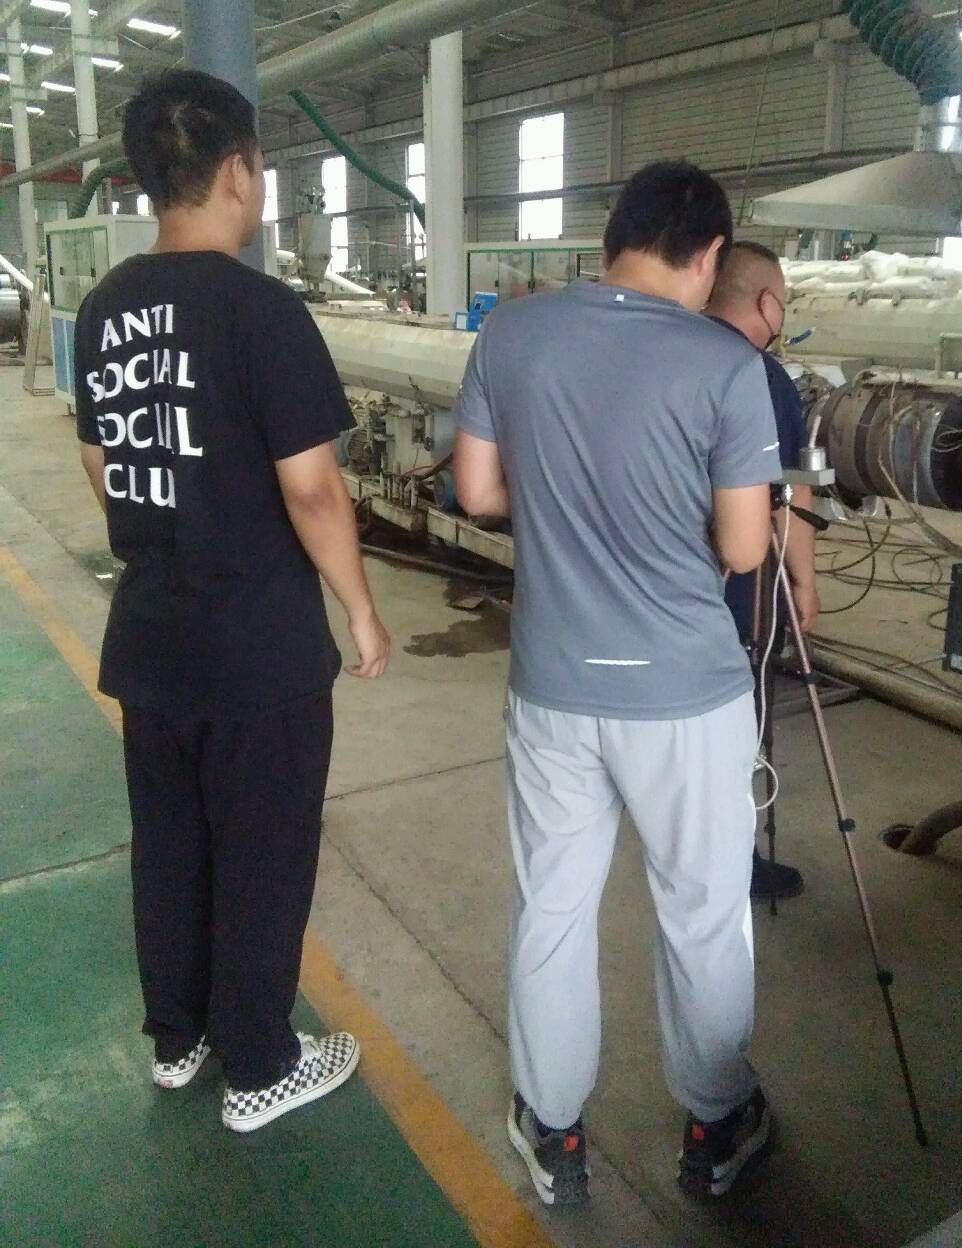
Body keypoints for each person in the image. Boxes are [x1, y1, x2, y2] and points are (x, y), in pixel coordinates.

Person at [453, 161, 782, 1206]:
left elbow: (477, 490)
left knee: (552, 907)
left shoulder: (512, 332)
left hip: (554, 681)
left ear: (613, 238)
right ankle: (714, 1123)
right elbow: (744, 548)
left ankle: (553, 1133)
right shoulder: (726, 365)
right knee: (703, 912)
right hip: (687, 694)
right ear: (711, 255)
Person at [73, 69, 390, 1134]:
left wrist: (171, 518)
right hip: (257, 647)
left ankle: (181, 1039)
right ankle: (260, 1064)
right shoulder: (262, 311)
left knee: (172, 845)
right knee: (261, 851)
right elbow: (313, 489)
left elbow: (102, 461)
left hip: (152, 637)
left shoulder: (105, 306)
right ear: (239, 172)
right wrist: (360, 608)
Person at [706, 242, 821, 901]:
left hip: (653, 591)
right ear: (765, 302)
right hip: (735, 595)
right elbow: (790, 493)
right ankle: (732, 861)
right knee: (733, 726)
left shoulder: (666, 357)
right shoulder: (762, 377)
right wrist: (804, 581)